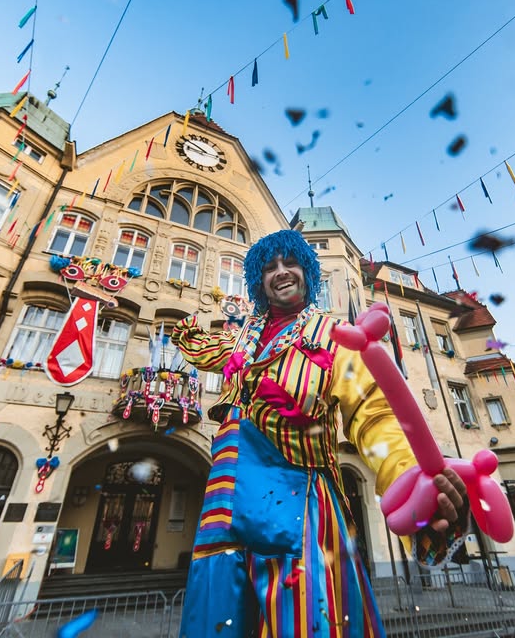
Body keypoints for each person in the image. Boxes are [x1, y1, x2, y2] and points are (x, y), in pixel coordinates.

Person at [172, 229, 468, 637]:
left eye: (290, 262)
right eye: (269, 267)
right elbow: (200, 347)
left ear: (308, 273)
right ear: (259, 281)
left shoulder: (336, 337)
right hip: (225, 503)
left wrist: (412, 488)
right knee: (220, 615)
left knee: (306, 617)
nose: (281, 272)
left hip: (301, 502)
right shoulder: (242, 335)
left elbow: (374, 415)